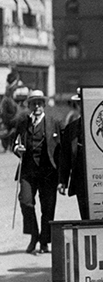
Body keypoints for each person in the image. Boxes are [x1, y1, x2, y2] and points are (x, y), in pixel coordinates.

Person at [13, 89, 62, 254]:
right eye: (33, 104)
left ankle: (44, 241)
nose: (36, 107)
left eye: (39, 103)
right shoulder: (23, 123)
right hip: (28, 170)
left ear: (44, 105)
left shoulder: (53, 122)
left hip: (48, 171)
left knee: (48, 208)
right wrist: (17, 149)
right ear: (29, 106)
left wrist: (62, 173)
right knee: (26, 202)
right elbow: (16, 142)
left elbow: (61, 147)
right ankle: (34, 235)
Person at [58, 91, 88, 219]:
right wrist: (62, 181)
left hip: (102, 180)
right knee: (85, 216)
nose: (83, 106)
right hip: (80, 179)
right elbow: (65, 157)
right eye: (80, 103)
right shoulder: (71, 128)